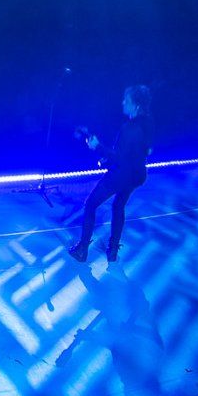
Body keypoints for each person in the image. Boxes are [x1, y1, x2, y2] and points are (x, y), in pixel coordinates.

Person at [70, 84, 153, 263]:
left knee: (91, 204)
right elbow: (145, 151)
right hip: (137, 175)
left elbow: (119, 157)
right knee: (118, 206)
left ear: (136, 105)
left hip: (122, 175)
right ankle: (113, 250)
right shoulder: (147, 123)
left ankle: (82, 249)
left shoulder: (130, 128)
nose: (123, 102)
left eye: (126, 100)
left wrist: (97, 147)